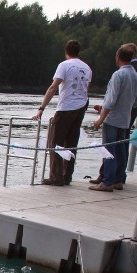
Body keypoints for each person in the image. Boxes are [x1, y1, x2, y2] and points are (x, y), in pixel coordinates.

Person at [89, 42, 137, 185]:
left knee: (109, 148)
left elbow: (110, 101)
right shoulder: (135, 75)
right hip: (125, 118)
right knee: (121, 149)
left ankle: (107, 181)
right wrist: (126, 107)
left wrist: (100, 119)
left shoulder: (118, 75)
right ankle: (119, 179)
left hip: (113, 119)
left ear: (118, 57)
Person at [32, 40, 92, 186]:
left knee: (55, 142)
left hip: (66, 107)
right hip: (81, 107)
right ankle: (67, 176)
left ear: (66, 52)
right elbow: (86, 89)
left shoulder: (64, 65)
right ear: (78, 52)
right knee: (72, 143)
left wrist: (41, 108)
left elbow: (53, 87)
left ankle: (56, 177)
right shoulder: (87, 68)